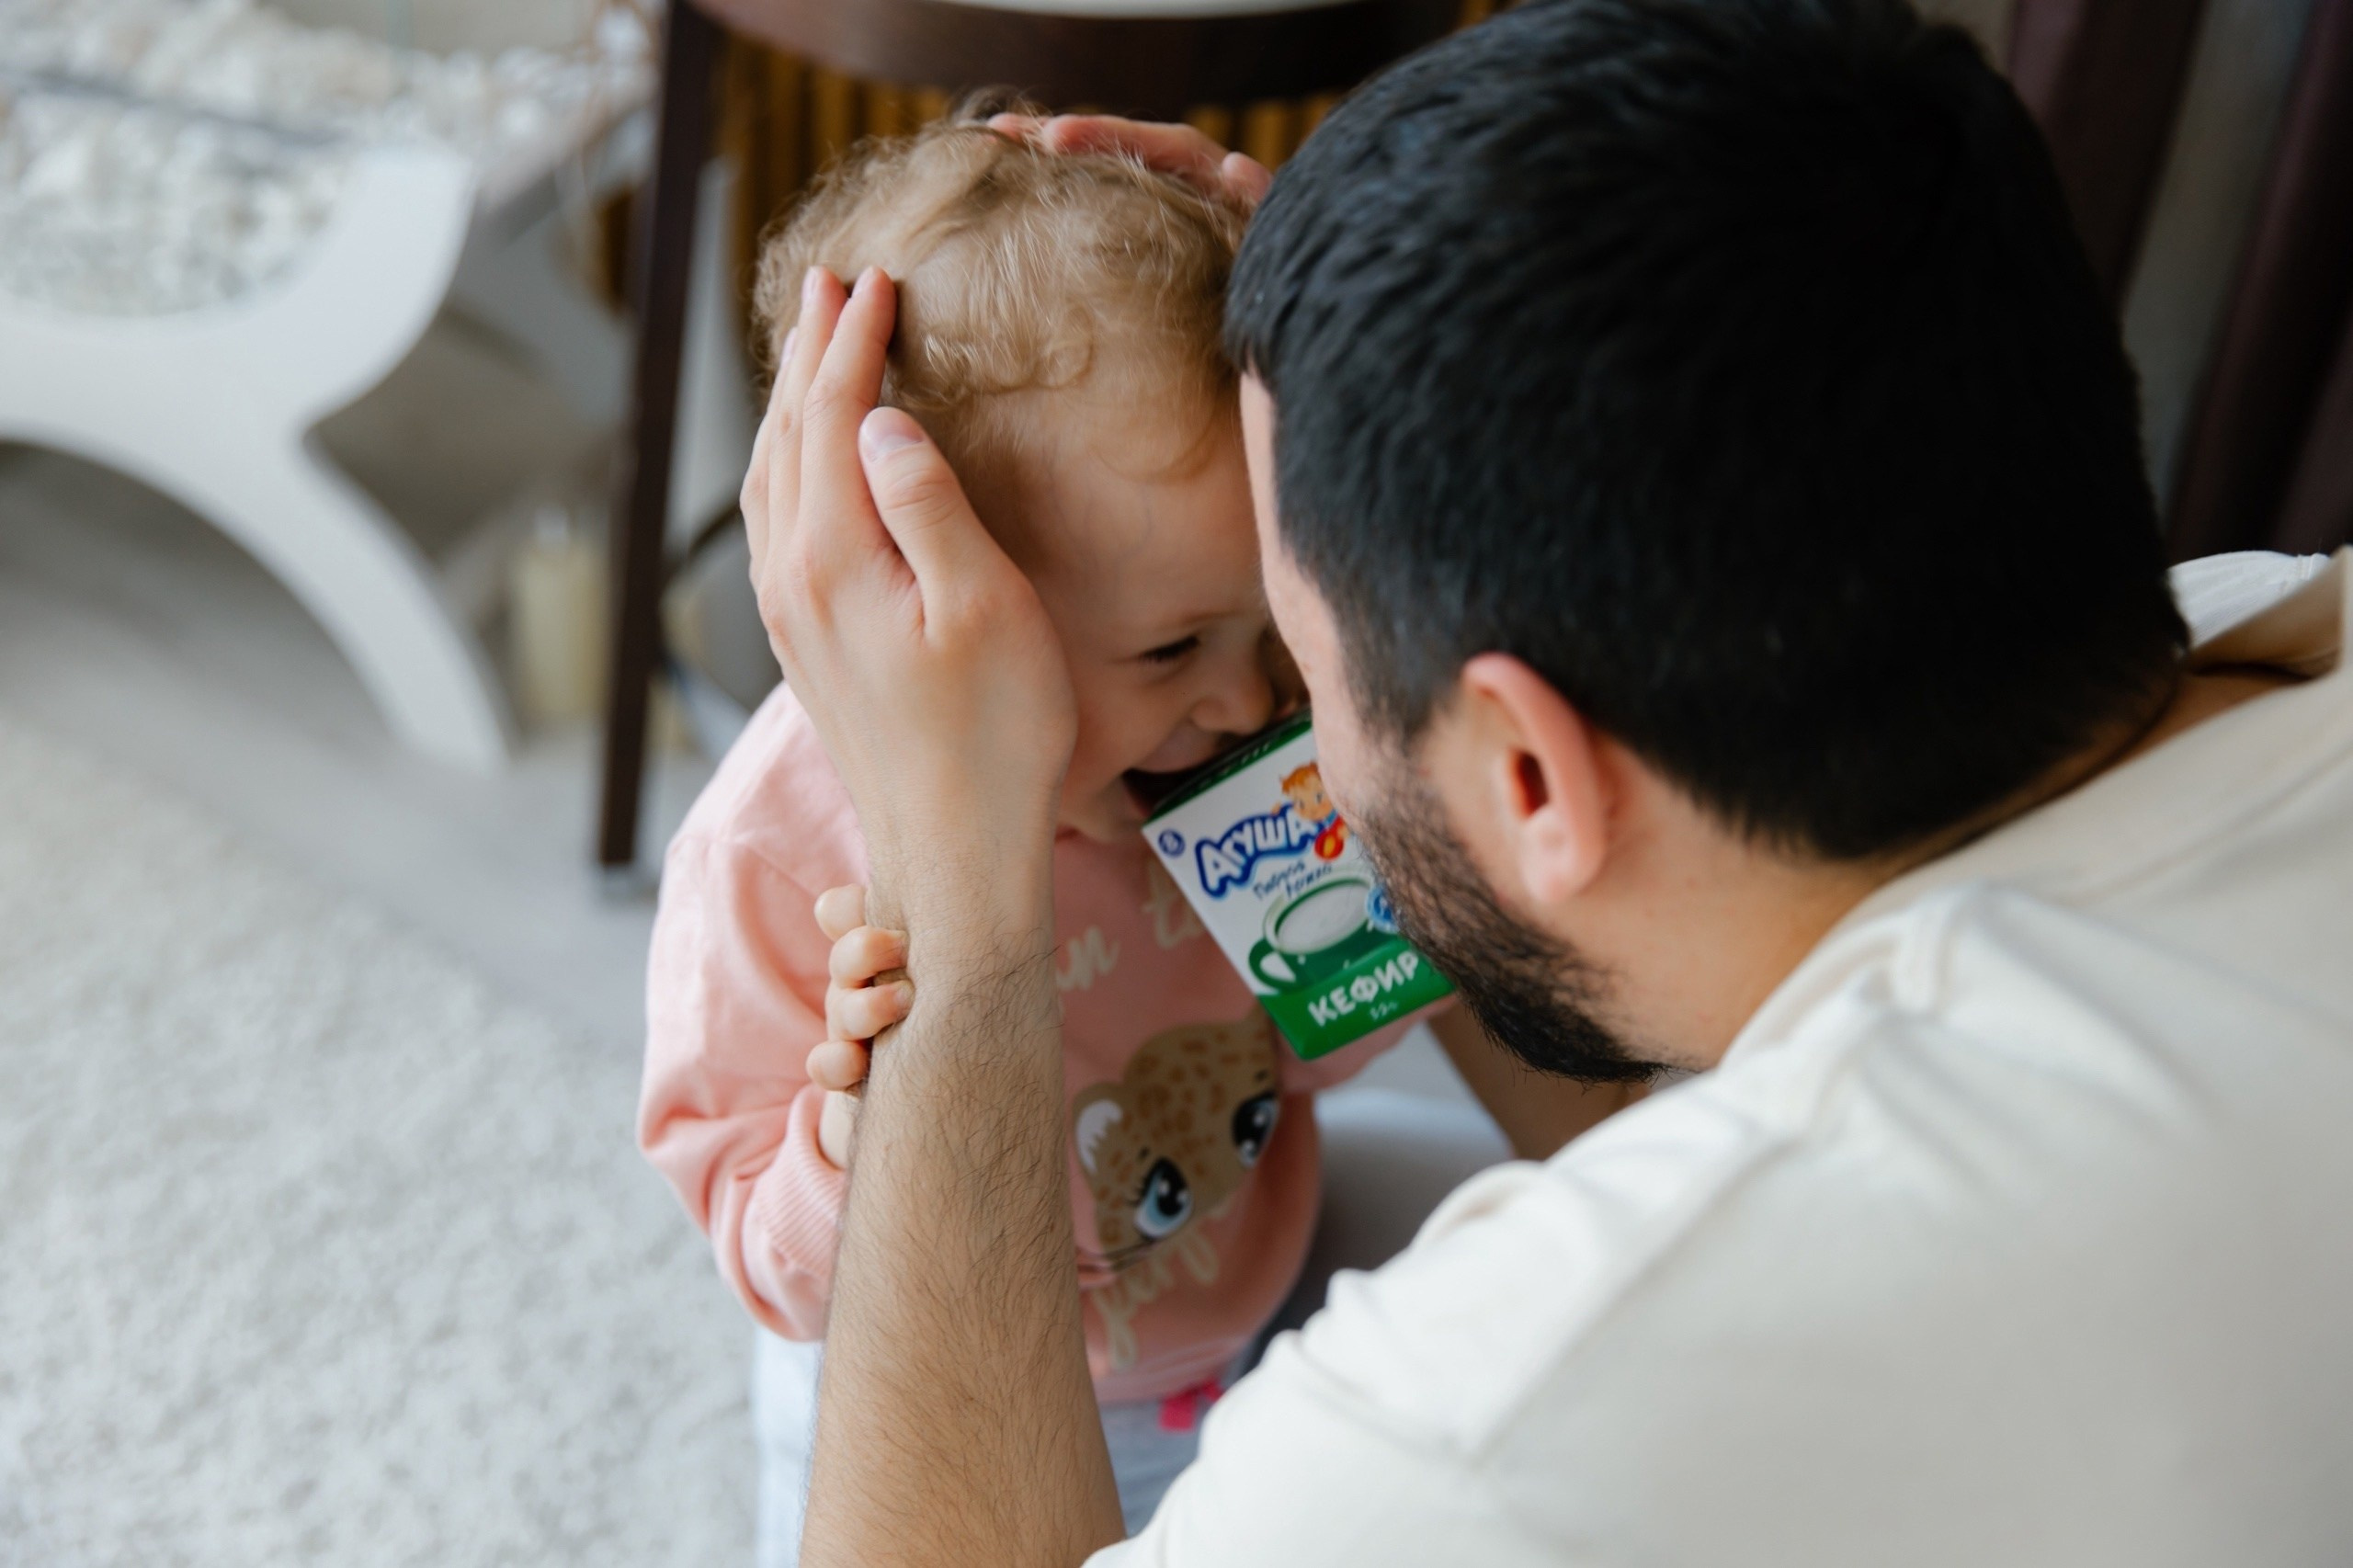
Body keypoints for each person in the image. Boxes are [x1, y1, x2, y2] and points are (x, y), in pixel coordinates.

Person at [739, 0, 2353, 1563]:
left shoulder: (1495, 1413)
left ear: (1528, 773)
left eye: (1299, 658)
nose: (1254, 719)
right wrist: (1388, 320)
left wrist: (953, 883)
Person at [635, 109, 1584, 1562]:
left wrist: (1378, 871)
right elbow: (763, 1251)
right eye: (1170, 649)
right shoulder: (778, 854)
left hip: (1259, 1310)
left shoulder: (1245, 747)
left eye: (1266, 617)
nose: (1248, 687)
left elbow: (1315, 1050)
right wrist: (840, 1151)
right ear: (929, 610)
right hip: (964, 1410)